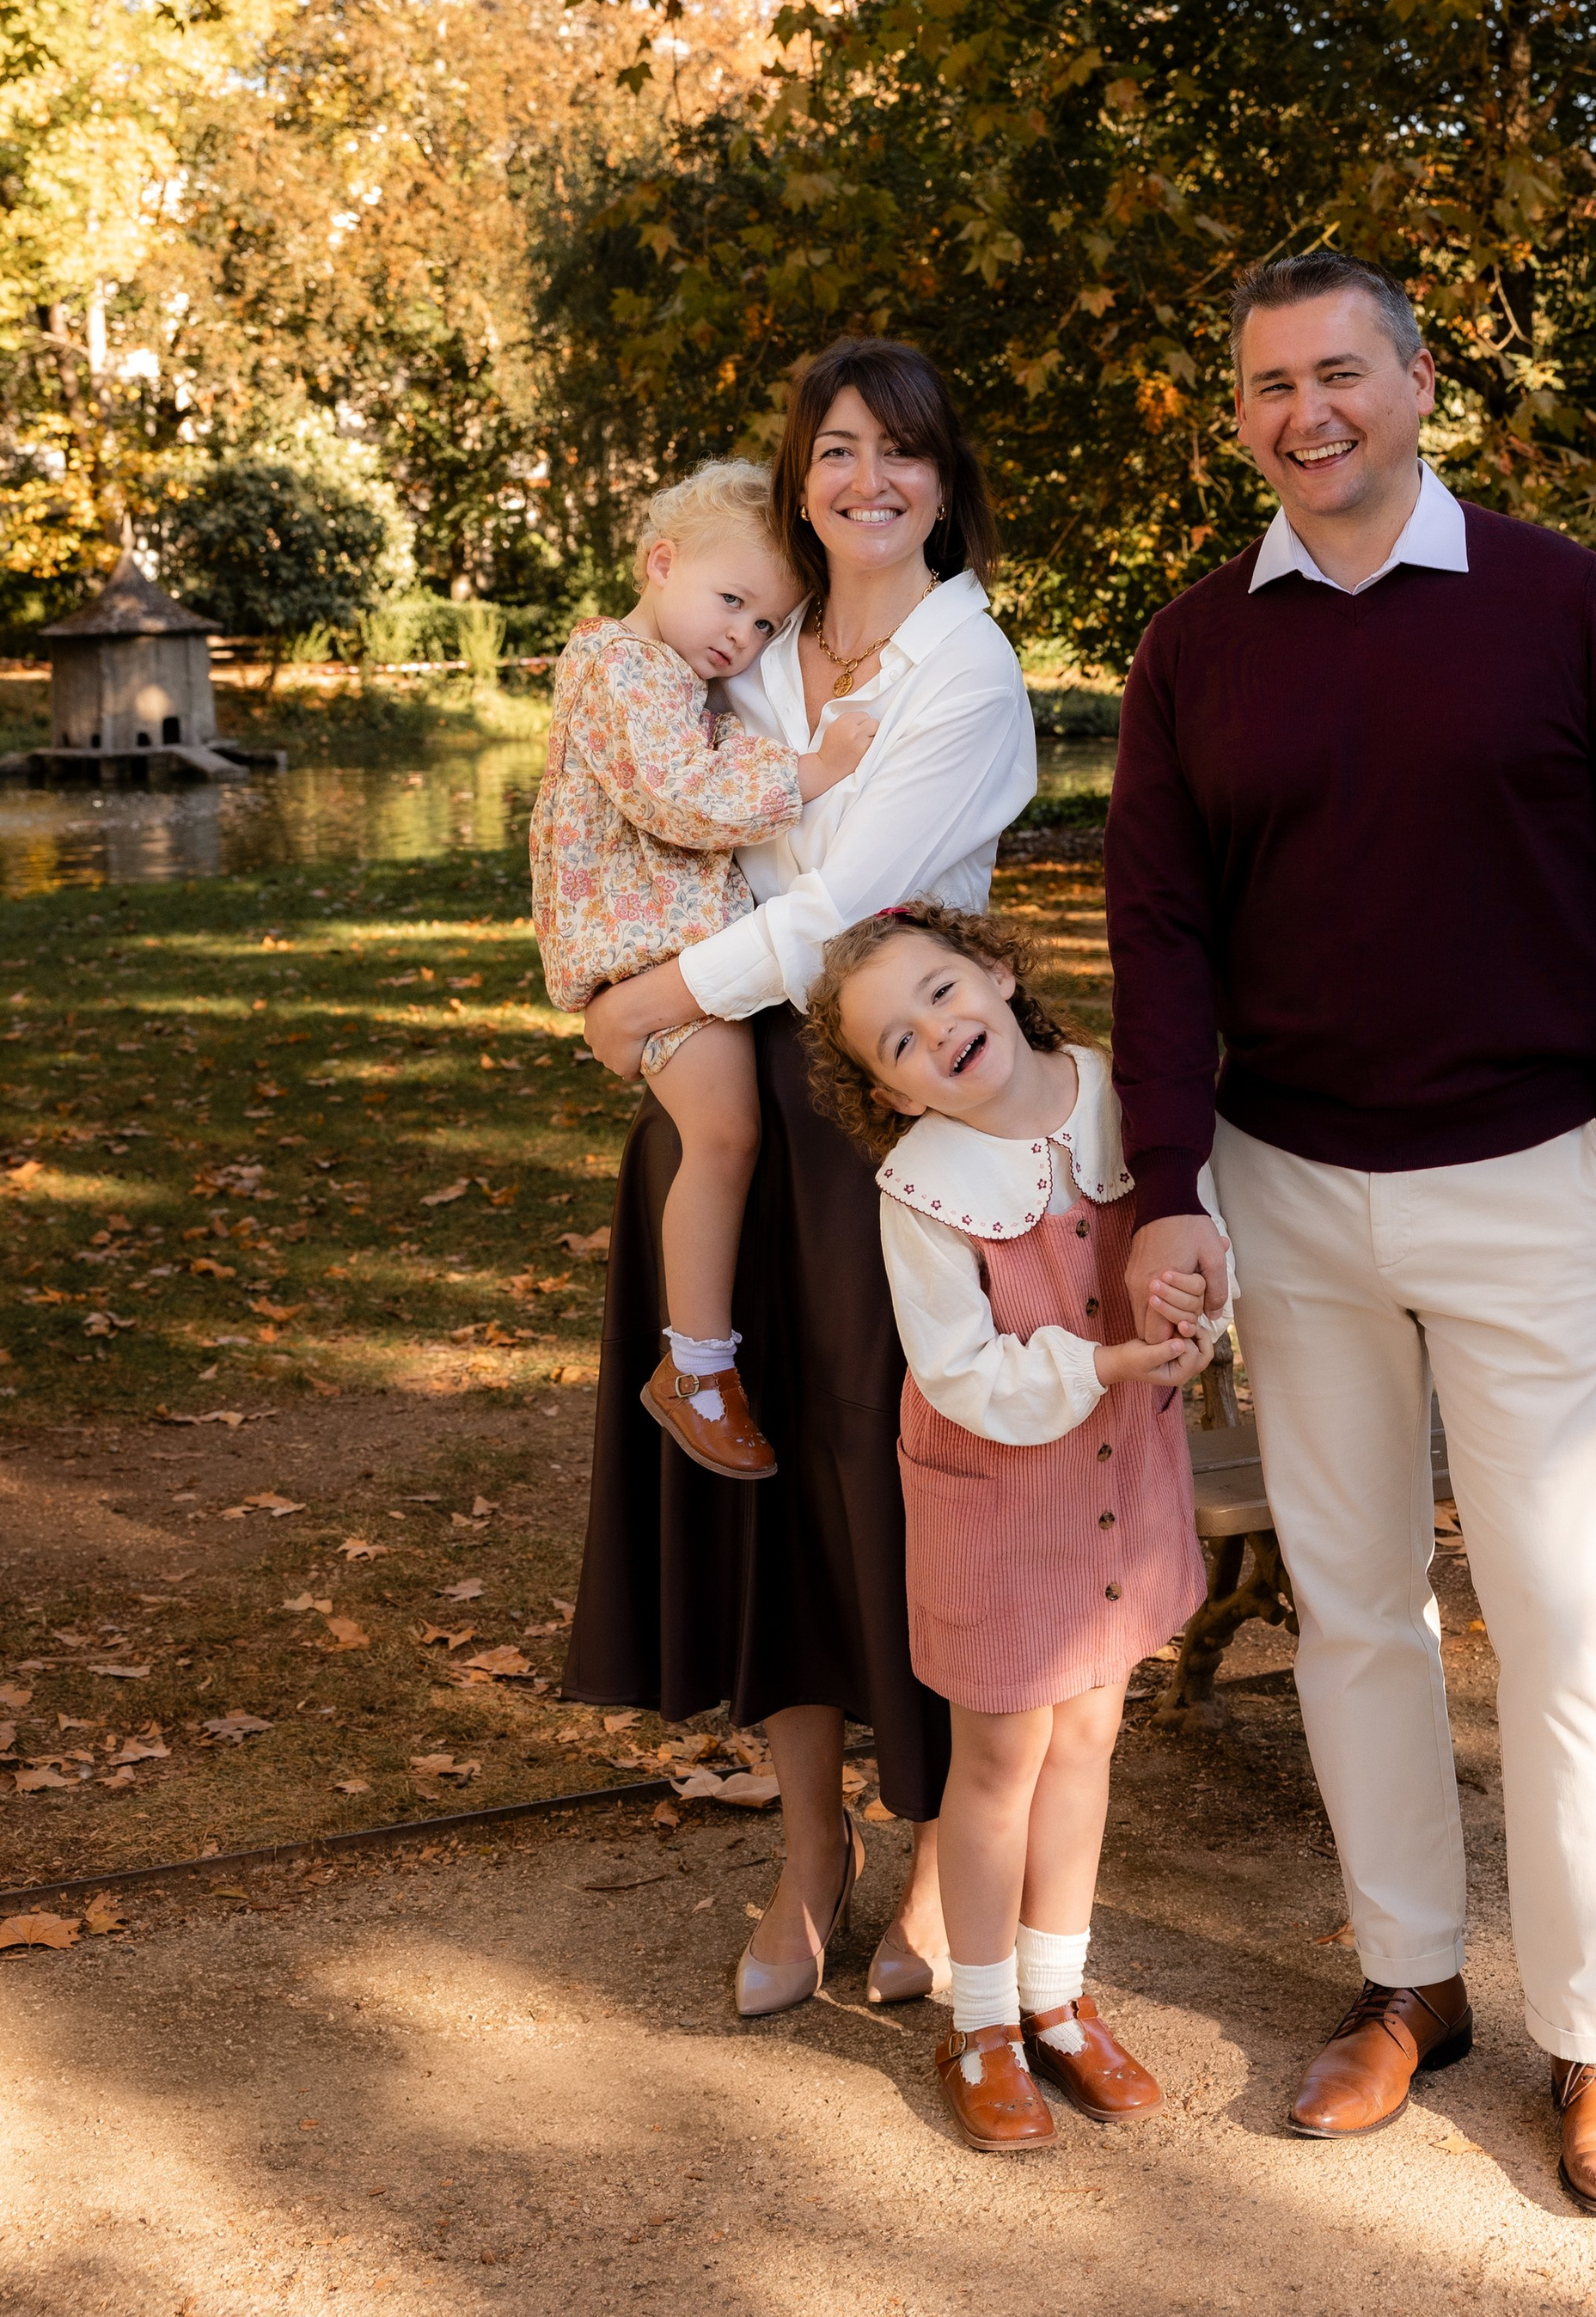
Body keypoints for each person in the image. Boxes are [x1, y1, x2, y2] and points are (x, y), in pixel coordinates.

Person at [1104, 250, 1596, 2217]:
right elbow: (1160, 934)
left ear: (1414, 381)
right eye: (1268, 382)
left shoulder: (1559, 601)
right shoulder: (1195, 645)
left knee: (1564, 1615)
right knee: (1354, 1604)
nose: (1308, 411)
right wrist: (1163, 1182)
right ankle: (1406, 1983)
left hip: (1530, 1182)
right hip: (1287, 1193)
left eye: (1340, 371)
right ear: (1239, 415)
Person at [561, 339, 1036, 2017]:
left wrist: (654, 992)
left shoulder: (961, 676)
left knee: (896, 1481)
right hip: (723, 1107)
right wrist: (636, 977)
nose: (865, 481)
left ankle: (935, 1852)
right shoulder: (750, 628)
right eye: (835, 449)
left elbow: (840, 922)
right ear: (798, 471)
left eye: (900, 452)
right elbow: (639, 797)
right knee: (761, 1480)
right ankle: (802, 1851)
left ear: (940, 479)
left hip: (881, 1106)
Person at [803, 899, 1220, 2152]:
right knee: (997, 1768)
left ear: (996, 968)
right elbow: (964, 1372)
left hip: (1122, 1480)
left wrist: (1201, 1316)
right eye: (897, 1044)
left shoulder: (1122, 1096)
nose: (934, 1033)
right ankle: (981, 2023)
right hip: (1000, 1498)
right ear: (887, 1093)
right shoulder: (923, 1189)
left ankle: (1058, 1997)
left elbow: (1197, 1236)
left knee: (1090, 1736)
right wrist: (1107, 1362)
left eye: (939, 993)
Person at [529, 457, 877, 1483]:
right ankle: (698, 1365)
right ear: (659, 561)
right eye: (731, 602)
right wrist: (810, 772)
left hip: (671, 943)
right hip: (644, 950)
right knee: (724, 1136)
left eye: (767, 624)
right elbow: (676, 796)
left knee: (735, 1133)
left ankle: (706, 1357)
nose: (743, 636)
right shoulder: (620, 666)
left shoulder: (671, 673)